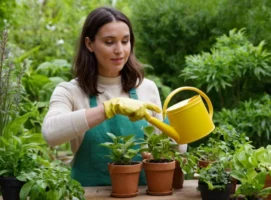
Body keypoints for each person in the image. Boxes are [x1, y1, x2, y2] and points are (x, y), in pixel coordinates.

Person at [42, 6, 186, 187]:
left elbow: (170, 148)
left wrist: (178, 139)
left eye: (125, 41)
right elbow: (50, 133)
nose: (119, 50)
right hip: (88, 194)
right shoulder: (70, 91)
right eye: (109, 42)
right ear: (89, 44)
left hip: (140, 194)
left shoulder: (146, 88)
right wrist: (109, 108)